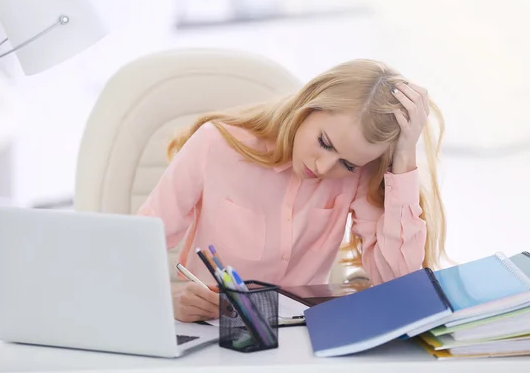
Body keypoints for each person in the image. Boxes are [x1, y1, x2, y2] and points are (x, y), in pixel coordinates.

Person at [137, 59, 446, 323]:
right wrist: (170, 303)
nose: (325, 167)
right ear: (307, 107)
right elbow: (135, 247)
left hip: (301, 342)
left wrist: (404, 157)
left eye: (348, 164)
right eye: (325, 142)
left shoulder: (360, 174)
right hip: (215, 332)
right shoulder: (216, 145)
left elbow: (397, 282)